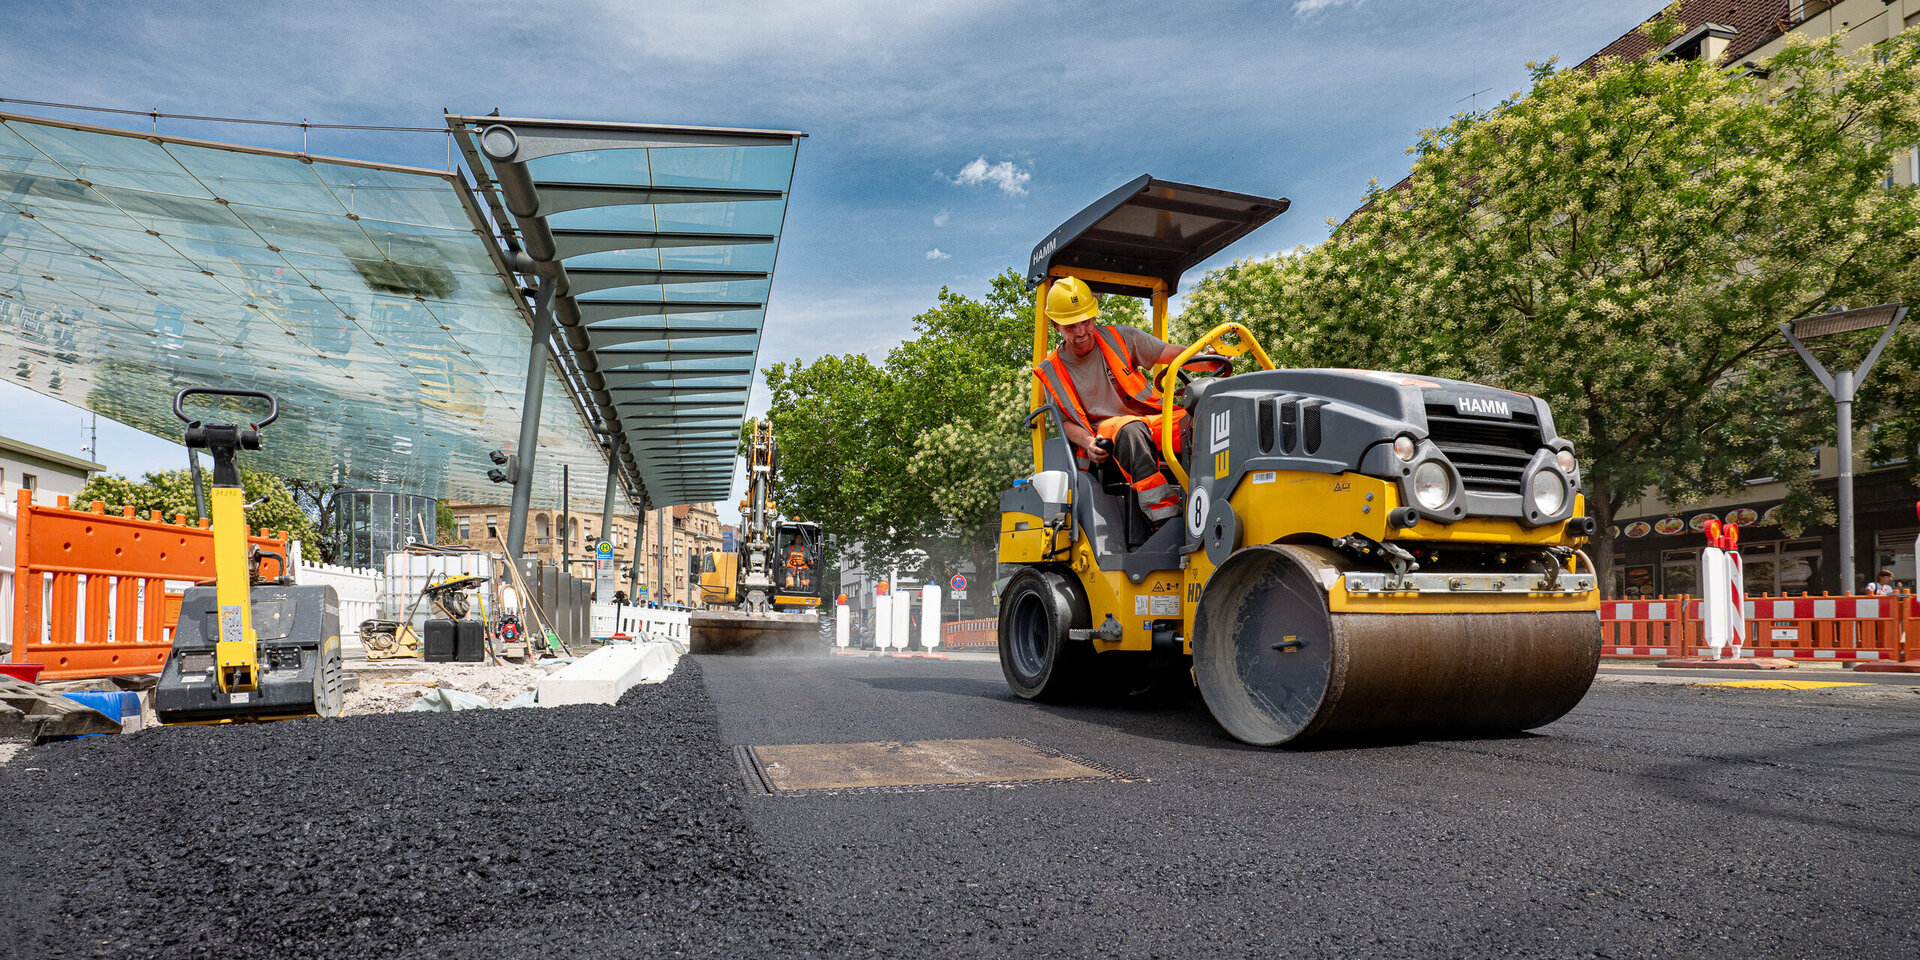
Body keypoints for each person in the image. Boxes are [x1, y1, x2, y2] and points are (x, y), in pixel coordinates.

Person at [1031, 276, 1192, 524]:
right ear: (1056, 326)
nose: (1082, 331)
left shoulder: (1122, 338)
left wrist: (1209, 357)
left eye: (1086, 322)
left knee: (1203, 416)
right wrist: (1088, 442)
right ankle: (1165, 517)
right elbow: (1064, 422)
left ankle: (1210, 496)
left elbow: (1175, 355)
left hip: (1151, 418)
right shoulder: (1052, 370)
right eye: (1072, 326)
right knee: (1130, 429)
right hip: (1107, 430)